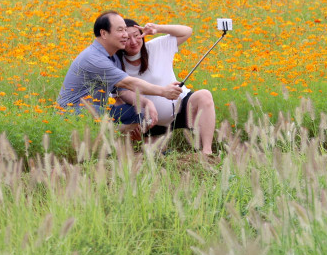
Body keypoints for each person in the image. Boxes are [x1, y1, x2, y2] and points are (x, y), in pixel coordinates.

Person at [56, 10, 181, 134]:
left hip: (94, 111)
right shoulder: (94, 58)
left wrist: (147, 103)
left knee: (135, 112)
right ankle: (109, 139)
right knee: (99, 111)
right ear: (104, 34)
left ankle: (119, 139)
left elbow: (123, 91)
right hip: (71, 113)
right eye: (120, 30)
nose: (125, 35)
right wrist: (163, 91)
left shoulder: (114, 57)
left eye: (125, 30)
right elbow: (129, 83)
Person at [118, 19, 218, 157]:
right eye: (127, 38)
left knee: (204, 95)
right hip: (149, 122)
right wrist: (131, 123)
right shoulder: (117, 64)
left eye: (136, 35)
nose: (134, 42)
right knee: (154, 156)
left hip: (181, 107)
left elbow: (187, 31)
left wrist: (157, 28)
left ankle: (207, 152)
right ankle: (155, 146)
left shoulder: (157, 46)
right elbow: (119, 96)